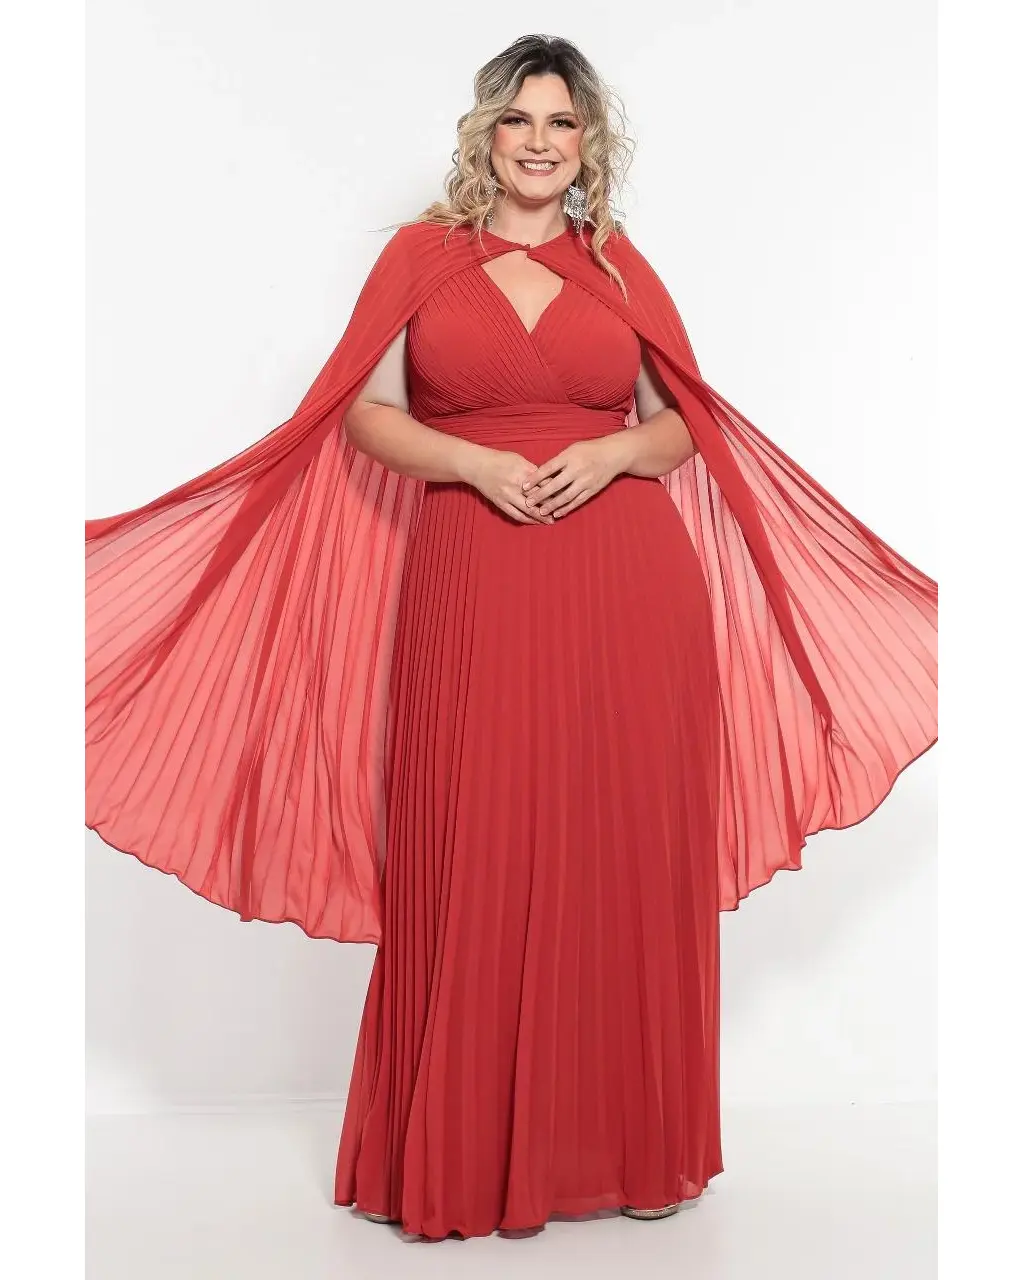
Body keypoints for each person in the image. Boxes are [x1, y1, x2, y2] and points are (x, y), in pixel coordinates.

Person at [85, 34, 938, 1243]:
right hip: (472, 568)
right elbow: (364, 415)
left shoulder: (619, 266)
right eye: (519, 119)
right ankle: (464, 1156)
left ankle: (639, 1150)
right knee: (469, 832)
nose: (540, 142)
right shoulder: (420, 259)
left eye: (562, 123)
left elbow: (683, 426)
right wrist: (472, 461)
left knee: (624, 849)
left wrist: (610, 449)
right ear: (486, 132)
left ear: (589, 143)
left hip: (629, 585)